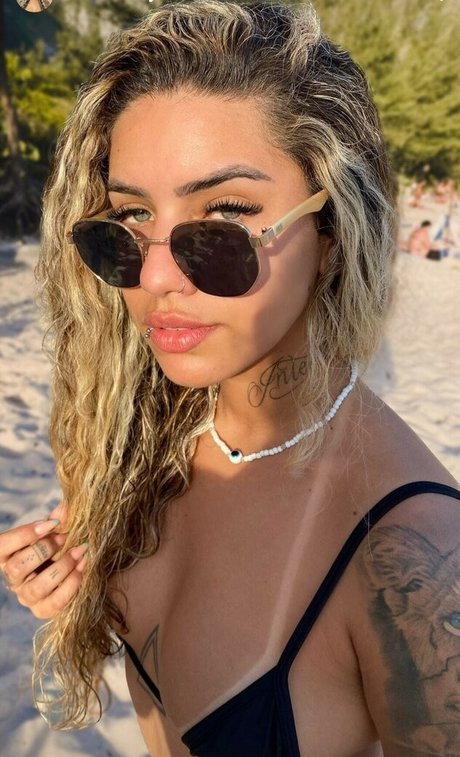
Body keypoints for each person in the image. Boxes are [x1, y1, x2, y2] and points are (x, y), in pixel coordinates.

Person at [1, 2, 459, 755]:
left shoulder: (418, 558)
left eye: (225, 216)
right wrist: (81, 590)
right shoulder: (151, 440)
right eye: (131, 216)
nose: (155, 276)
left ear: (333, 231)